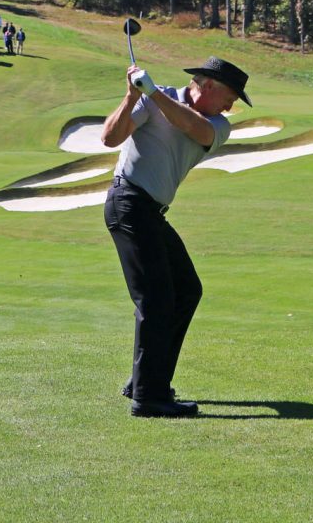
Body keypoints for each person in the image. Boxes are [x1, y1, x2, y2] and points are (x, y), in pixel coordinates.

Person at [100, 56, 252, 418]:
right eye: (231, 97)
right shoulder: (152, 99)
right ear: (210, 85)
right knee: (155, 299)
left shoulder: (216, 124)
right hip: (128, 203)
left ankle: (145, 380)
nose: (231, 107)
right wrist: (130, 97)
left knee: (186, 290)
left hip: (150, 212)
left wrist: (152, 93)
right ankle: (149, 396)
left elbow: (193, 128)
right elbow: (110, 138)